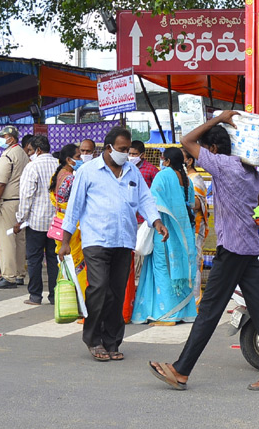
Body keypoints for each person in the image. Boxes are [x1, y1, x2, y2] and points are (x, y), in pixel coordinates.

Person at [148, 110, 259, 393]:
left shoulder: (222, 164)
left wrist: (220, 118)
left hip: (233, 249)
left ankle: (181, 370)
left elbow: (186, 139)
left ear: (212, 149)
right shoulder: (248, 168)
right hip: (248, 247)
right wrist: (247, 205)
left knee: (209, 311)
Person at [60, 127, 167, 362]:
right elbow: (74, 207)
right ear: (108, 148)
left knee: (117, 293)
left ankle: (112, 341)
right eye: (122, 149)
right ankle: (93, 339)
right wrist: (65, 241)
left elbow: (145, 200)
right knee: (98, 288)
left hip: (123, 240)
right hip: (96, 240)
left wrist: (156, 221)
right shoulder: (88, 171)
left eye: (128, 149)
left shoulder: (132, 172)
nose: (126, 154)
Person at [133, 147, 199, 325]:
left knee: (162, 269)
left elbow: (152, 201)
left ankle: (168, 314)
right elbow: (191, 203)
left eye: (163, 159)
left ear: (167, 161)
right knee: (181, 268)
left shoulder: (163, 176)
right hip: (184, 231)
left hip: (164, 230)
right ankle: (184, 312)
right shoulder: (186, 180)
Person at [16, 133, 59, 306]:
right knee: (53, 260)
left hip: (36, 222)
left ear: (38, 150)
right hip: (56, 221)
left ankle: (35, 295)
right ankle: (55, 295)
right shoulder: (59, 165)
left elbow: (26, 196)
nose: (29, 153)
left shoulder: (32, 167)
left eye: (30, 150)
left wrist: (20, 219)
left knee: (34, 259)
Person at [0, 125, 29, 289]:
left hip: (7, 202)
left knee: (6, 240)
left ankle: (9, 276)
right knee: (19, 239)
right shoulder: (22, 154)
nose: (1, 139)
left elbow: (0, 183)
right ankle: (19, 274)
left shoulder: (8, 156)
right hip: (19, 201)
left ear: (10, 138)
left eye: (3, 136)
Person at [50, 144, 87, 308]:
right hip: (70, 225)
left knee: (65, 262)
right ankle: (79, 302)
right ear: (68, 159)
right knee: (77, 262)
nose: (81, 159)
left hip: (59, 221)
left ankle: (67, 299)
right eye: (78, 157)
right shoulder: (71, 179)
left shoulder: (58, 175)